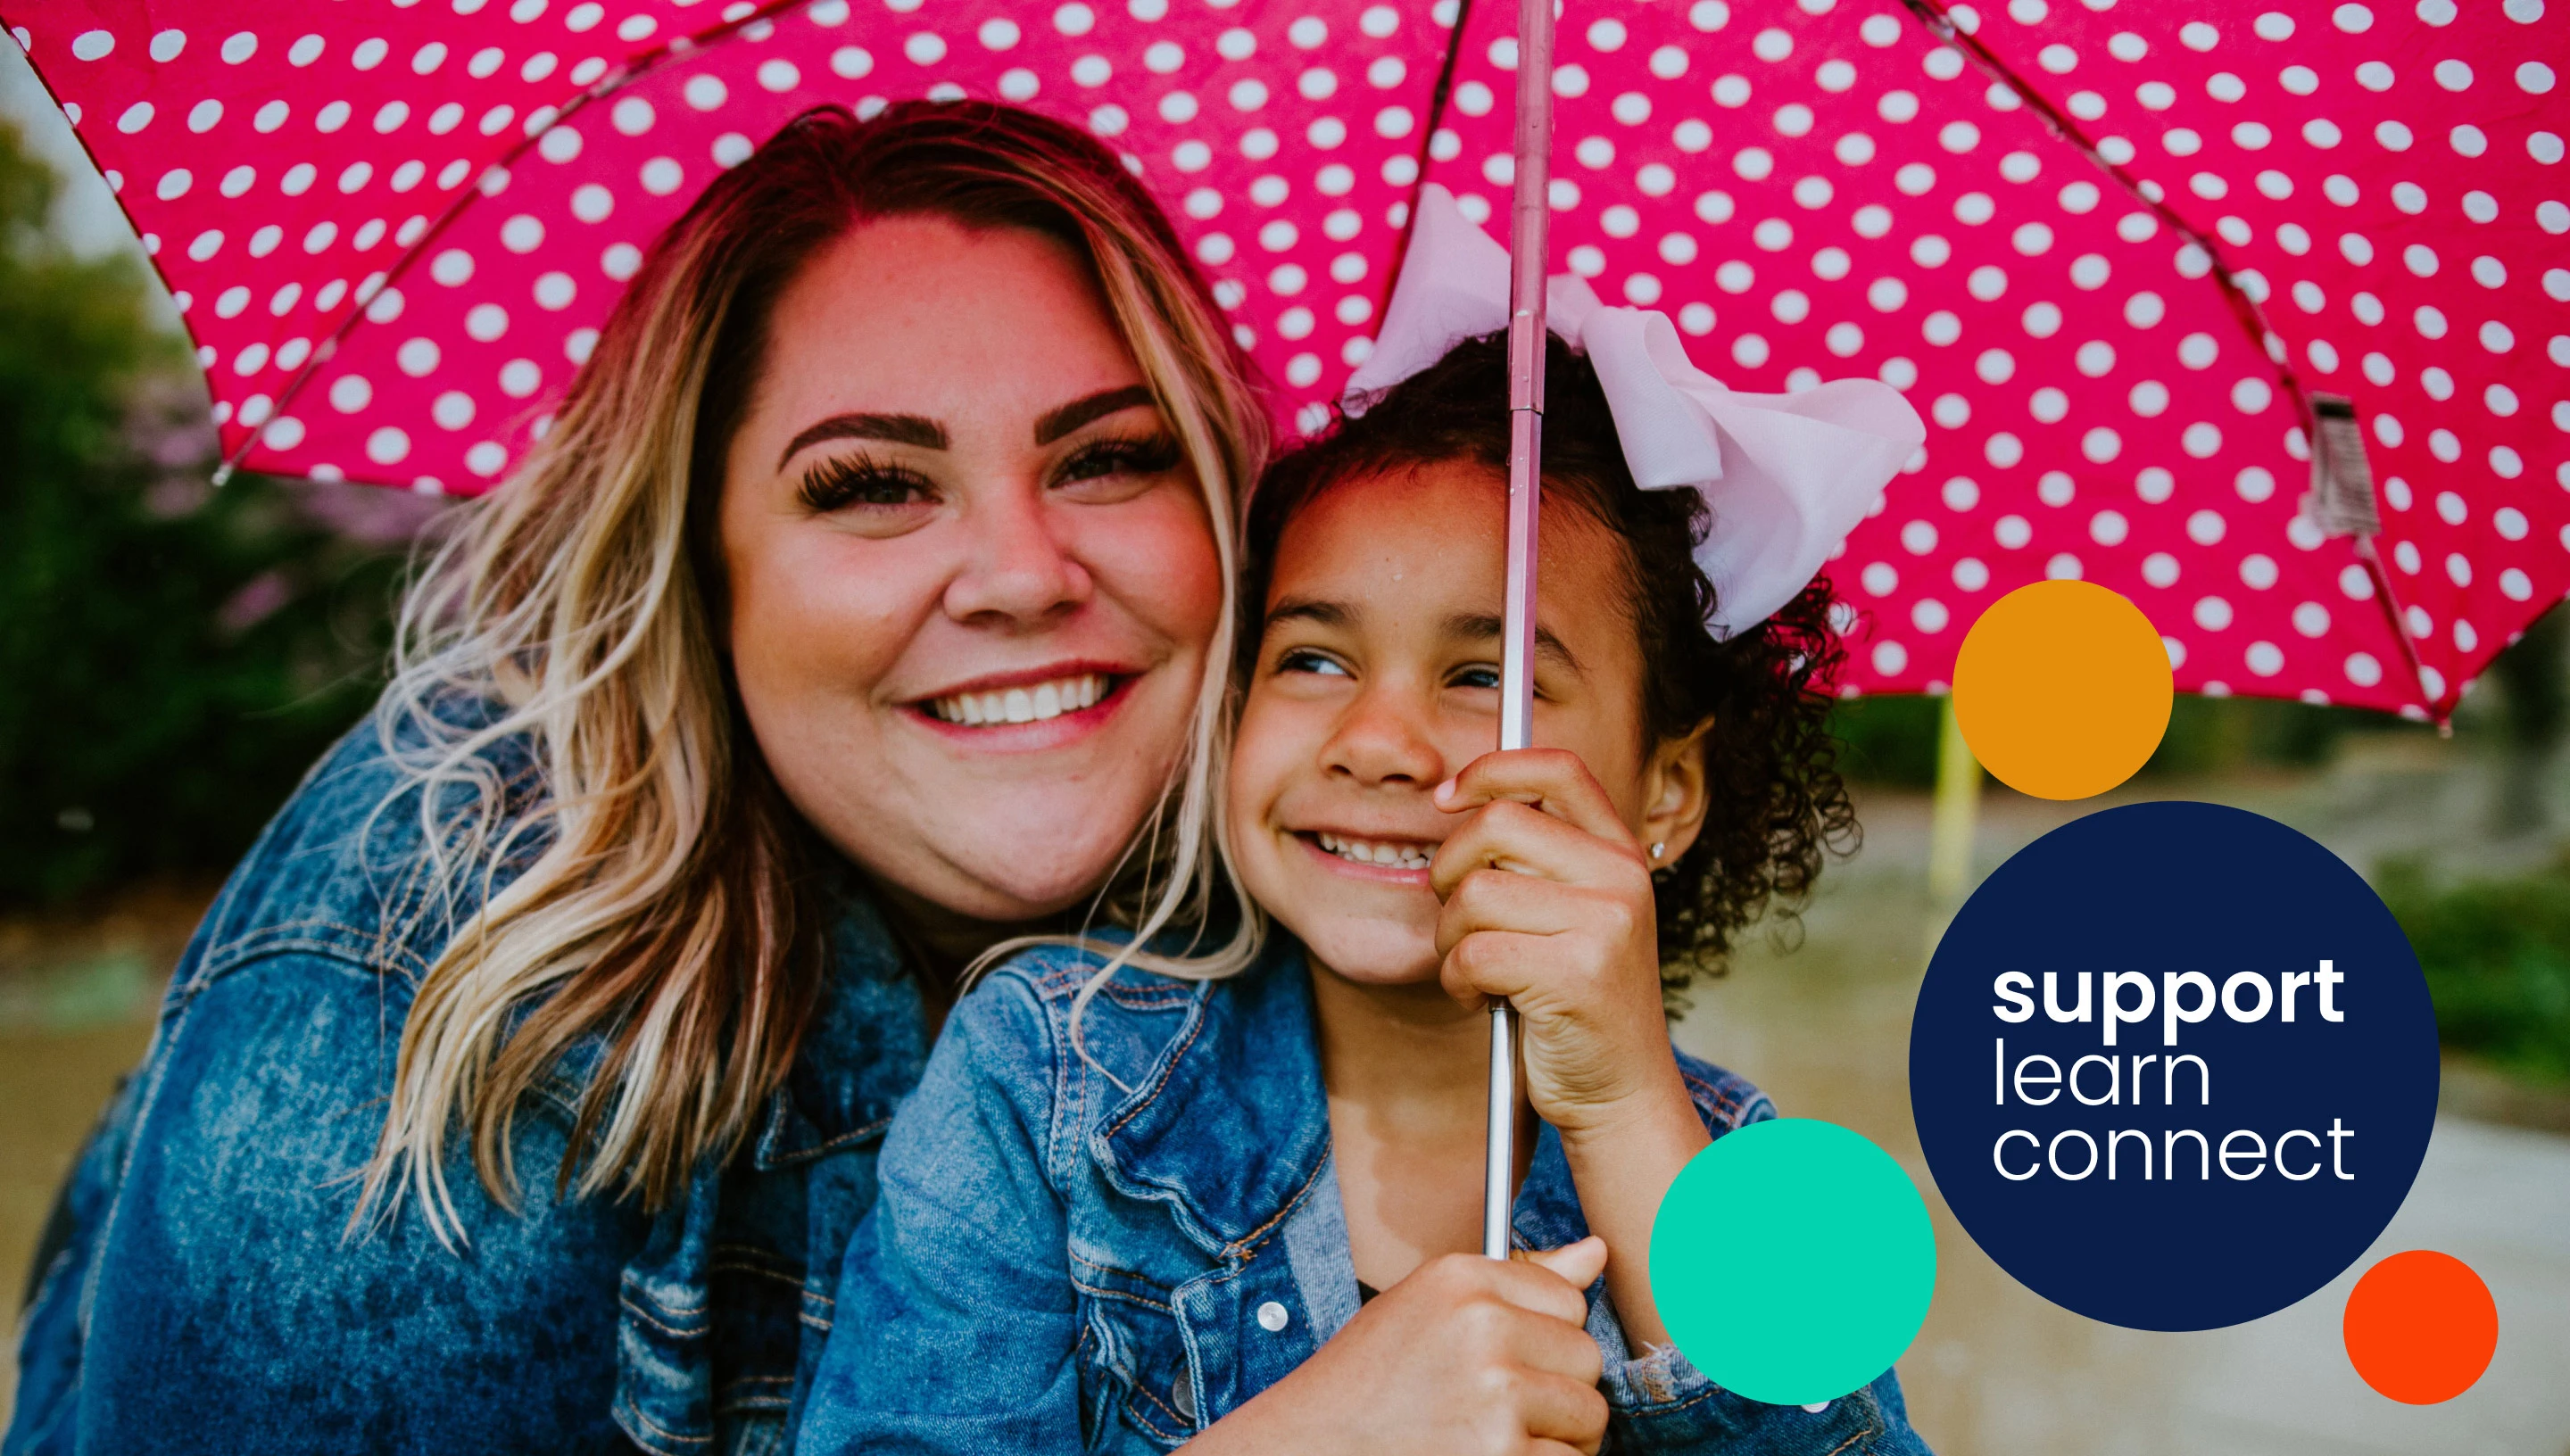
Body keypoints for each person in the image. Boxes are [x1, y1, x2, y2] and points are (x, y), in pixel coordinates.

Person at [6, 101, 1267, 1456]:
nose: (1024, 575)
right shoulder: (441, 984)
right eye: (869, 486)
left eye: (1111, 459)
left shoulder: (1352, 886)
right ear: (702, 561)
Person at [798, 188, 1934, 1454]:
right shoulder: (1050, 1085)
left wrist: (1620, 1114)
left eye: (1482, 676)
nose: (1379, 745)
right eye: (1315, 661)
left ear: (1665, 791)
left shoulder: (1737, 1166)